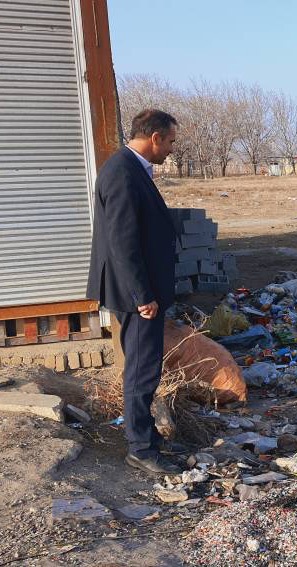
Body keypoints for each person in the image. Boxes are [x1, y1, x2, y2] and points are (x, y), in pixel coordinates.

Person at [87, 109, 182, 474]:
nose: (172, 149)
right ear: (155, 137)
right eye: (171, 141)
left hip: (140, 290)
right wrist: (143, 296)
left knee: (144, 367)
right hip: (137, 295)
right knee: (142, 370)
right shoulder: (123, 174)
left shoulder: (130, 168)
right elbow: (122, 243)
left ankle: (147, 440)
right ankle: (140, 449)